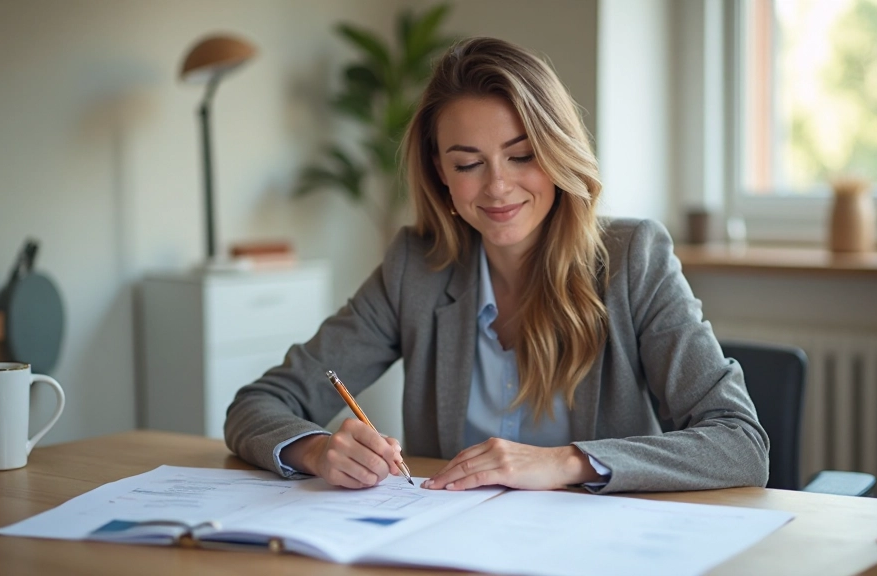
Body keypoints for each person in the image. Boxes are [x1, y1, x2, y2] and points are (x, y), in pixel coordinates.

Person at [224, 37, 769, 495]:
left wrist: (562, 462)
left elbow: (740, 442)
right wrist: (318, 450)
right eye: (468, 163)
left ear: (557, 152)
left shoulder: (634, 259)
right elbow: (257, 404)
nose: (498, 186)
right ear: (439, 170)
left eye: (522, 154)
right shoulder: (417, 268)